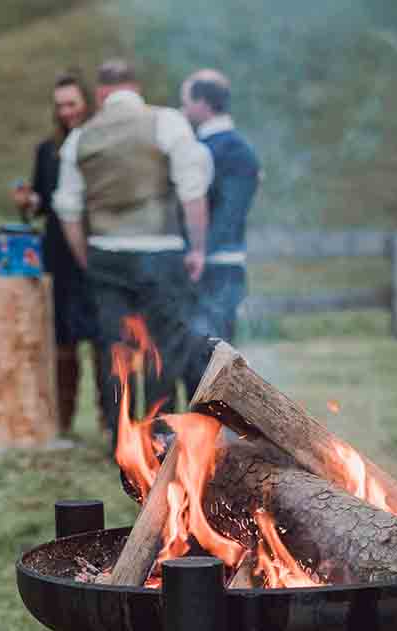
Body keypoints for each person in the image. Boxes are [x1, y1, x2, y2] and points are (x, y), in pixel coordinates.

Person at [53, 58, 214, 444]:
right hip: (160, 252)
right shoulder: (167, 121)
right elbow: (193, 191)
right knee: (165, 346)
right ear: (135, 88)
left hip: (106, 254)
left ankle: (122, 440)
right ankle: (162, 436)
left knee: (115, 350)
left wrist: (86, 258)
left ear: (101, 94)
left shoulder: (80, 137)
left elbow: (68, 209)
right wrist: (197, 249)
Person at [12, 71, 103, 434]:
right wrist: (28, 201)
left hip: (93, 250)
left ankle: (108, 420)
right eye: (61, 105)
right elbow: (41, 201)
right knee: (61, 341)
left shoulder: (99, 144)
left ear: (87, 104)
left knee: (100, 340)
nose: (66, 112)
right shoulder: (47, 150)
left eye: (72, 104)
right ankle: (62, 420)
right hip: (57, 254)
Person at [180, 69, 261, 352]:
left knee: (212, 355)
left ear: (203, 103)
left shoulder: (225, 149)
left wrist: (200, 253)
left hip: (216, 266)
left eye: (186, 102)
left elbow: (230, 212)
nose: (183, 109)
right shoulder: (232, 148)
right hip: (216, 264)